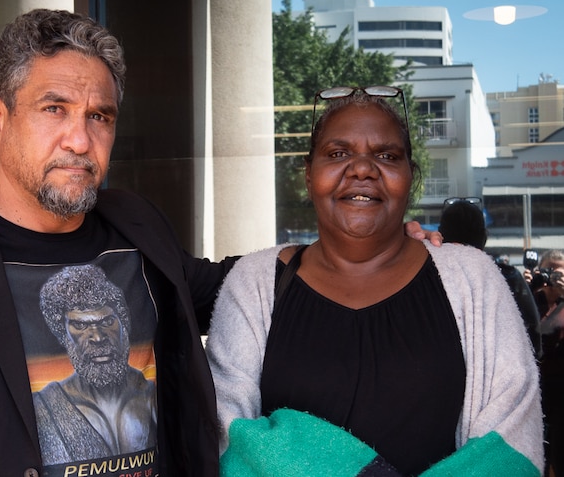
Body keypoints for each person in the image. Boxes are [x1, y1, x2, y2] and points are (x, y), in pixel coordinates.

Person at [0, 10, 438, 476]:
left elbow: (228, 286)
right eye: (54, 109)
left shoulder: (134, 227)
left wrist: (374, 247)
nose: (80, 139)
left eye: (100, 116)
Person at [205, 86, 543, 476]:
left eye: (386, 156)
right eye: (337, 154)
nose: (362, 169)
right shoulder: (253, 284)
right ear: (309, 175)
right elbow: (228, 434)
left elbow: (511, 443)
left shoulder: (474, 281)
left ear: (410, 176)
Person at [34, 264, 157, 466]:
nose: (98, 337)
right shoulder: (44, 407)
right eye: (80, 325)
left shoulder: (152, 394)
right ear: (62, 333)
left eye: (107, 322)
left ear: (123, 323)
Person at [437, 198, 542, 356]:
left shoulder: (427, 277)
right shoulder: (508, 277)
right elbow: (534, 340)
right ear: (484, 237)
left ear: (439, 235)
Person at [527, 249, 564, 477]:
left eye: (560, 272)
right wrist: (527, 289)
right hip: (533, 392)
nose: (554, 277)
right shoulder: (531, 298)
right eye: (550, 271)